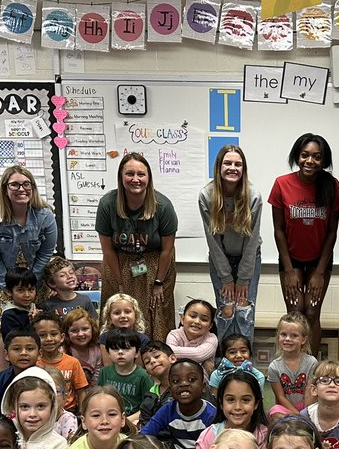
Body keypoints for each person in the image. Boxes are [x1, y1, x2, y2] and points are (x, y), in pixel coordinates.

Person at [269, 133, 339, 354]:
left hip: (319, 260)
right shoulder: (282, 184)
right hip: (290, 258)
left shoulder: (332, 185)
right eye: (305, 155)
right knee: (295, 311)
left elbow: (332, 232)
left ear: (324, 161)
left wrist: (319, 273)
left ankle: (310, 366)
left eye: (317, 157)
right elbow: (279, 230)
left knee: (311, 312)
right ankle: (292, 362)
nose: (310, 161)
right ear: (297, 157)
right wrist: (289, 270)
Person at [96, 153, 179, 340]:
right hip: (119, 262)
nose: (135, 179)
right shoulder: (107, 204)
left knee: (156, 312)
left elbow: (167, 250)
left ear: (148, 178)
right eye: (129, 174)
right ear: (121, 177)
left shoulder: (163, 206)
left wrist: (159, 283)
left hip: (156, 264)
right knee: (119, 310)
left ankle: (155, 359)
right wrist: (120, 282)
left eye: (141, 174)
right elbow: (107, 249)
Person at [0, 164, 58, 336]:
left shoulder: (45, 214)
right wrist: (7, 285)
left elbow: (46, 251)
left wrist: (32, 280)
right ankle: (6, 361)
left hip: (33, 276)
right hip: (0, 275)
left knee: (34, 324)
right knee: (6, 328)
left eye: (27, 184)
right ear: (5, 188)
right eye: (15, 184)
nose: (22, 189)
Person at [199, 144, 262, 342]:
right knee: (226, 310)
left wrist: (242, 278)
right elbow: (213, 240)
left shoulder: (253, 196)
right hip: (221, 258)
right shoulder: (206, 196)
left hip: (248, 258)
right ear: (219, 166)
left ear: (244, 169)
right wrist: (226, 277)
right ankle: (226, 363)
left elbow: (252, 241)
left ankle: (244, 364)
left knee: (244, 310)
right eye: (227, 163)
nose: (232, 168)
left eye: (238, 164)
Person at [140, 358, 216, 449]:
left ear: (203, 387)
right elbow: (145, 434)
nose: (183, 384)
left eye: (191, 379)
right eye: (176, 381)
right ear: (170, 390)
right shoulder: (168, 410)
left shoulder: (211, 414)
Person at [32, 310, 89, 416]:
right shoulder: (34, 365)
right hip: (41, 412)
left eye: (54, 334)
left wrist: (82, 415)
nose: (49, 339)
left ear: (62, 337)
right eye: (42, 335)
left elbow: (81, 392)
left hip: (69, 411)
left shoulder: (73, 362)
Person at [267, 312, 317, 419]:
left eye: (294, 335)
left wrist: (305, 414)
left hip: (307, 406)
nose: (288, 339)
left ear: (303, 339)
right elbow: (280, 397)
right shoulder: (274, 367)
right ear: (278, 336)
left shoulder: (311, 362)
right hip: (286, 408)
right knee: (274, 413)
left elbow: (311, 392)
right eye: (283, 334)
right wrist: (297, 415)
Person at [0, 327, 41, 417]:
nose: (23, 353)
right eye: (17, 349)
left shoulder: (45, 379)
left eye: (29, 349)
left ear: (39, 354)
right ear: (6, 355)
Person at [99, 329, 154, 420]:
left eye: (126, 348)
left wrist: (126, 421)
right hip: (108, 418)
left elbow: (148, 406)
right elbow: (99, 398)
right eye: (115, 349)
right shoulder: (104, 372)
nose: (120, 352)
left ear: (137, 353)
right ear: (108, 353)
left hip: (134, 420)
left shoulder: (144, 376)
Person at [166, 298, 218, 371]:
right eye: (193, 316)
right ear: (182, 318)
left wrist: (171, 352)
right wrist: (167, 352)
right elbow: (167, 353)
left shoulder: (211, 338)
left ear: (210, 326)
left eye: (204, 319)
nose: (197, 321)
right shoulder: (173, 334)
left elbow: (199, 354)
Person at [0, 268, 39, 357]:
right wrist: (33, 322)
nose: (27, 295)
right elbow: (15, 340)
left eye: (31, 290)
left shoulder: (35, 308)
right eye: (20, 290)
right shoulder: (9, 315)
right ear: (9, 292)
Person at [97, 292, 151, 359]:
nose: (122, 316)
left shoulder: (143, 339)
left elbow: (139, 367)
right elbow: (108, 367)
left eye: (127, 312)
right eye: (117, 313)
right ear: (109, 318)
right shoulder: (104, 338)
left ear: (136, 315)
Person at [62, 308, 102, 389]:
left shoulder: (97, 352)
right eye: (74, 330)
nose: (80, 334)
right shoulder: (63, 351)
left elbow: (96, 381)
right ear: (66, 333)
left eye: (85, 329)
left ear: (92, 329)